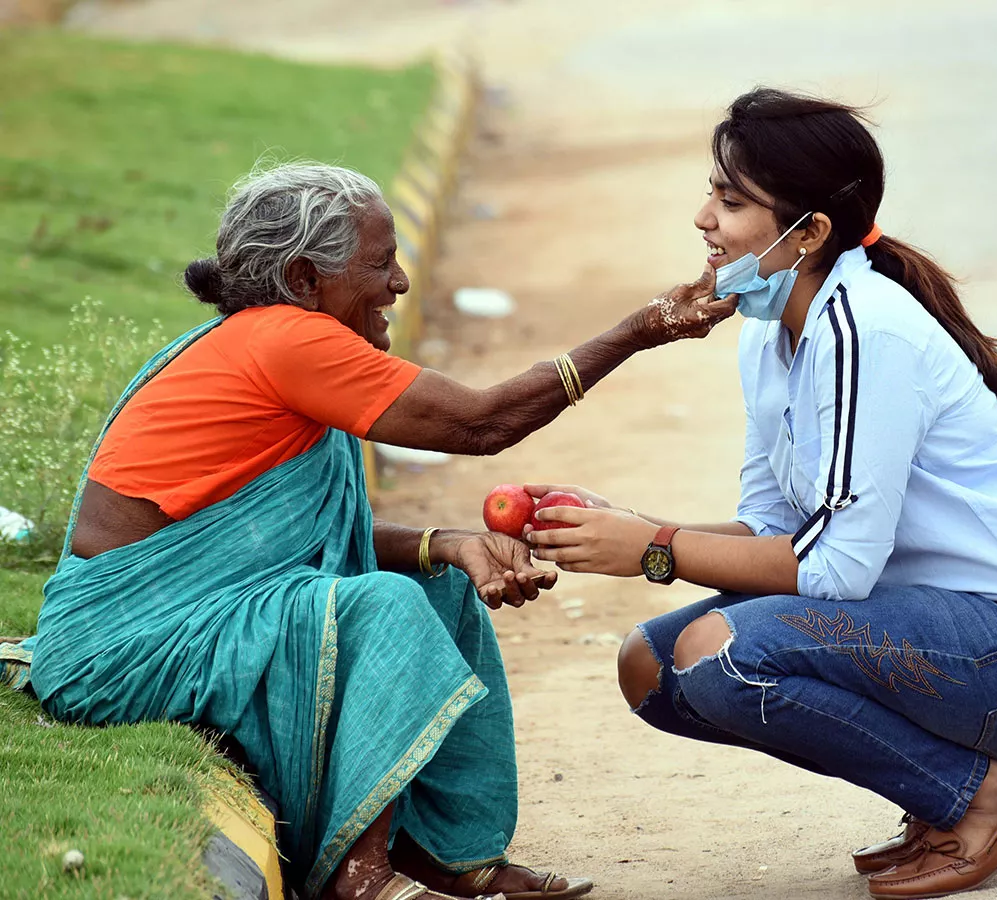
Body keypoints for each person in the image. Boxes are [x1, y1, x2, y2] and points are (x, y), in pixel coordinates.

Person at [8, 162, 735, 900]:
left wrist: (445, 543)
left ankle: (444, 852)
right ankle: (357, 875)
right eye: (381, 263)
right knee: (385, 607)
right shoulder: (288, 341)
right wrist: (638, 331)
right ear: (302, 278)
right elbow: (482, 423)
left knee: (442, 588)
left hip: (185, 615)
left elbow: (274, 538)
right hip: (121, 647)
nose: (400, 284)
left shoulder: (272, 339)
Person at [525, 89, 997, 900]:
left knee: (722, 654)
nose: (703, 217)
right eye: (711, 190)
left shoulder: (865, 329)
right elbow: (770, 531)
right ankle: (944, 793)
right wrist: (623, 528)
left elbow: (834, 569)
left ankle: (986, 799)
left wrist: (655, 547)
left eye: (731, 200)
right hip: (939, 629)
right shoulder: (771, 336)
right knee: (653, 667)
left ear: (809, 232)